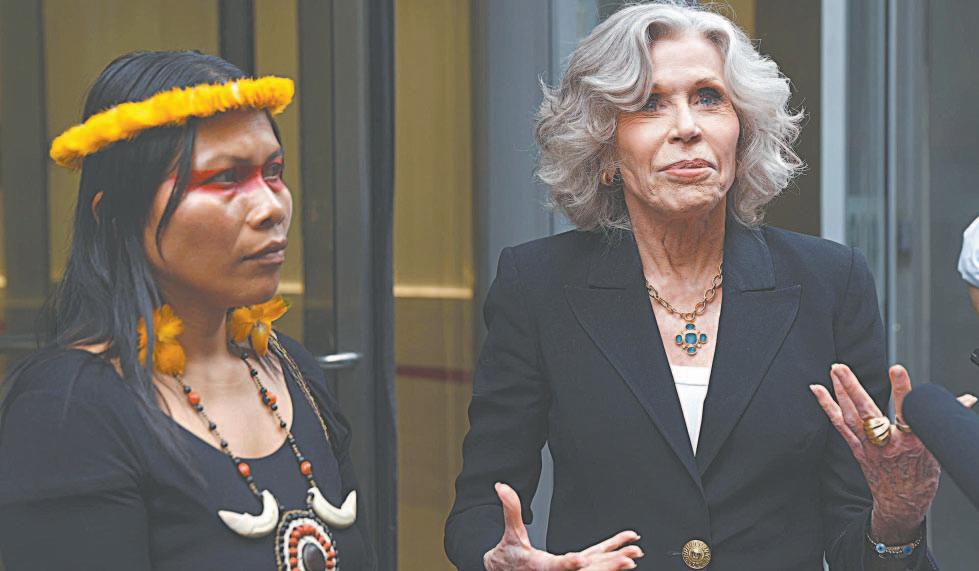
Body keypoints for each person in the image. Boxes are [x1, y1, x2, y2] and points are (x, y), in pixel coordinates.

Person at [445, 3, 939, 570]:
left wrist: (897, 516)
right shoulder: (538, 287)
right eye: (649, 104)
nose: (687, 126)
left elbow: (857, 541)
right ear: (604, 149)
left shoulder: (830, 283)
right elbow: (480, 506)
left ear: (742, 133)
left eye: (709, 97)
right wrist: (499, 560)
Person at [0, 51, 373, 570]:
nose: (271, 207)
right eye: (225, 178)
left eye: (273, 172)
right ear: (117, 213)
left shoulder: (291, 369)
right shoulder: (68, 410)